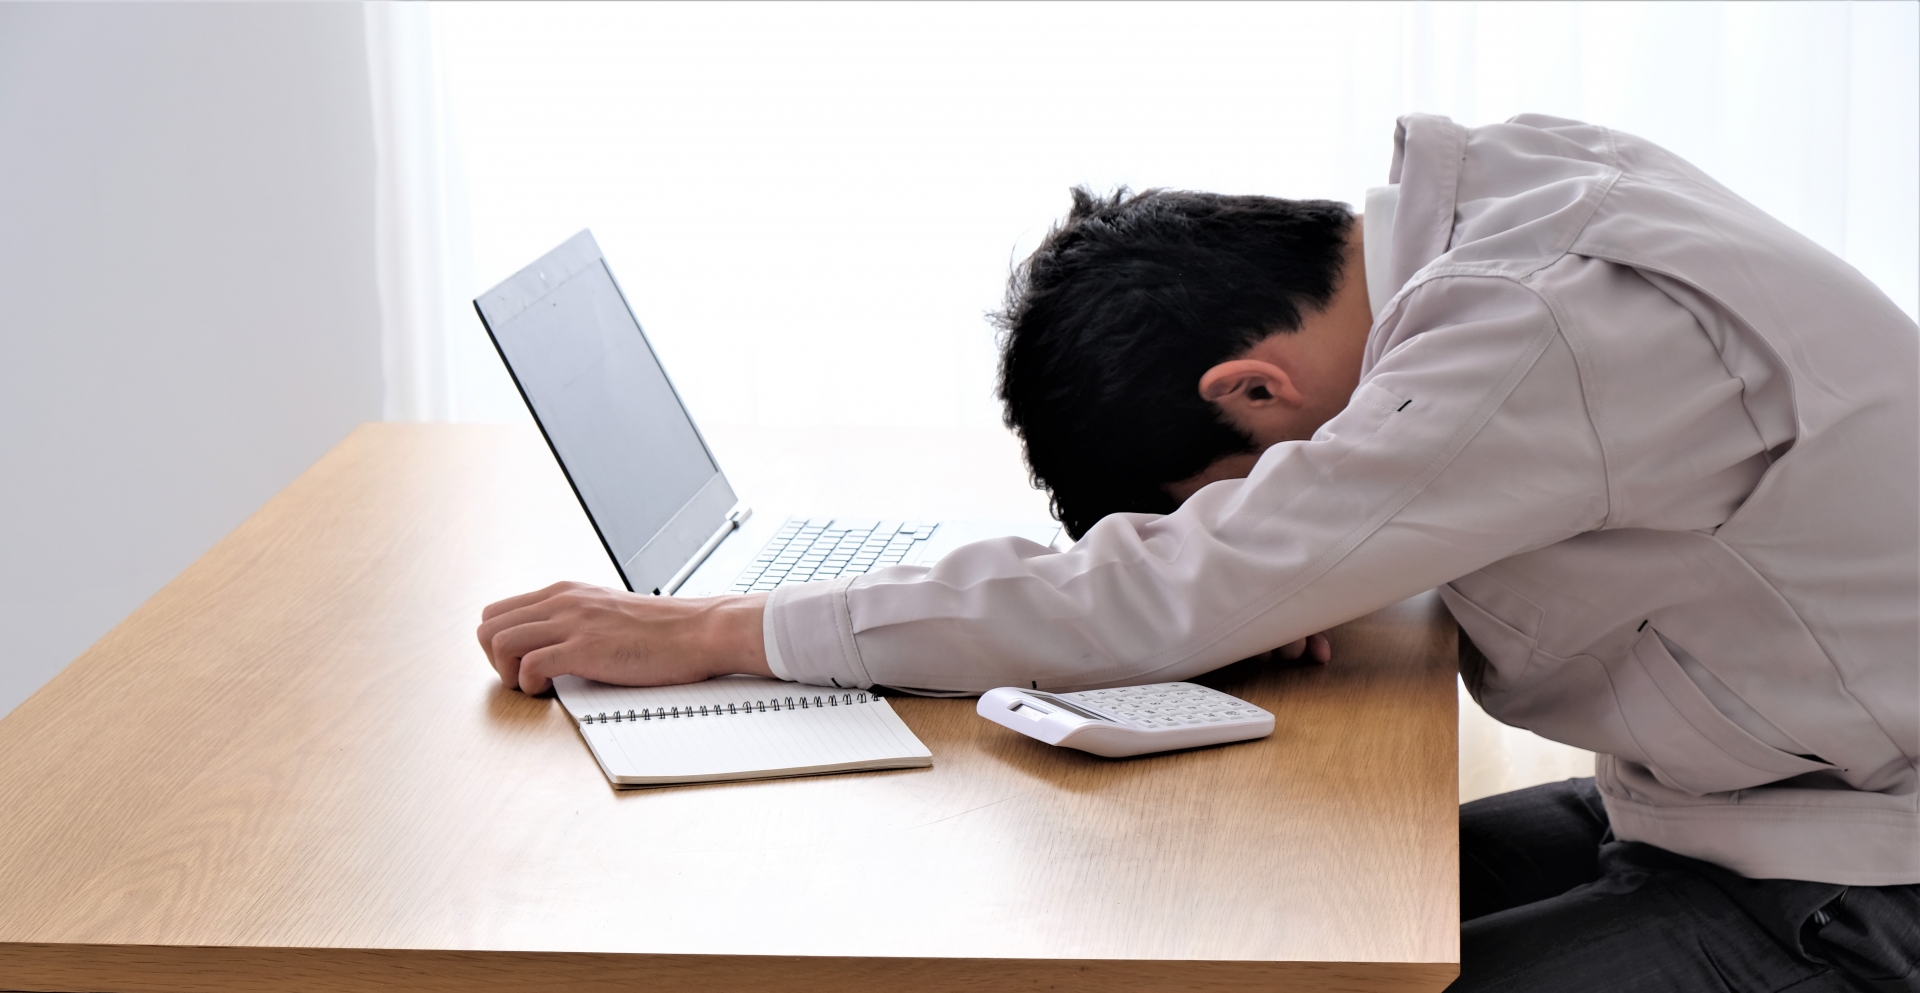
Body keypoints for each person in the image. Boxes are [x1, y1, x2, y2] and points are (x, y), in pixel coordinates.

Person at [476, 114, 1919, 990]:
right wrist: (1300, 559)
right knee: (1258, 928)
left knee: (1276, 962)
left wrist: (721, 631)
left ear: (1250, 388)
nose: (1250, 516)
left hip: (1855, 883)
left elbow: (1166, 594)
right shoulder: (1512, 214)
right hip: (1722, 803)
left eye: (1228, 492)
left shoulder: (1527, 328)